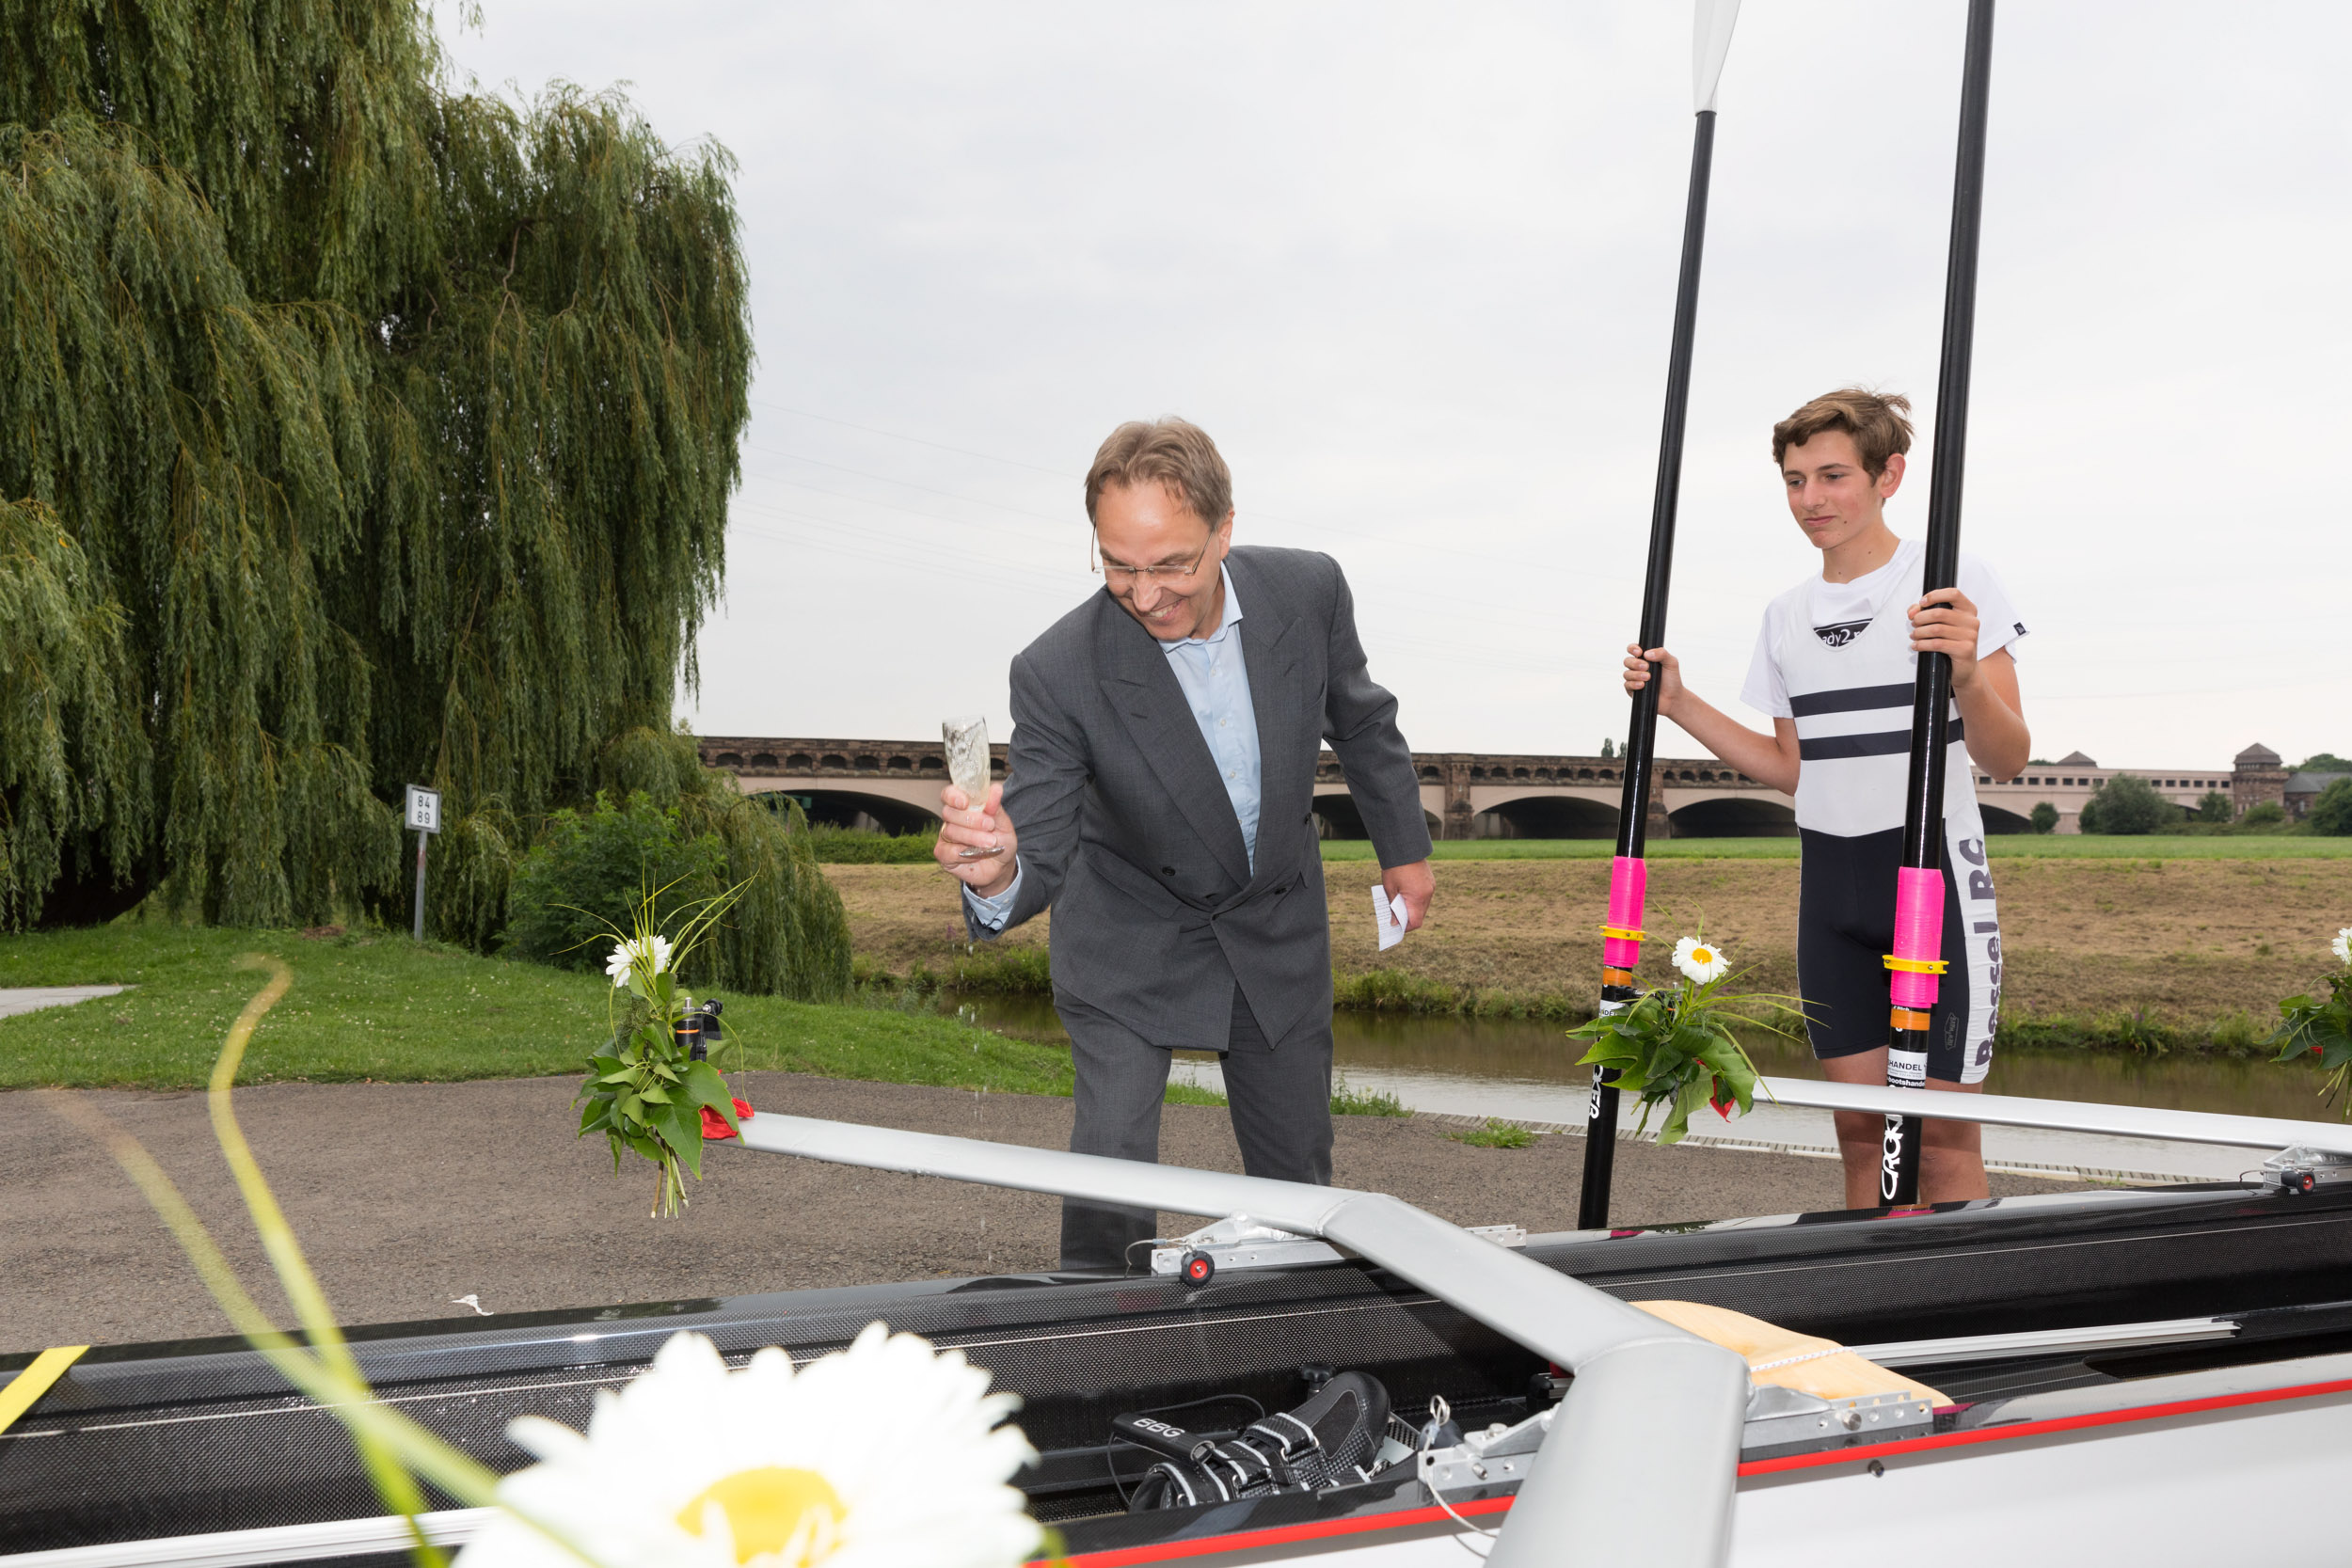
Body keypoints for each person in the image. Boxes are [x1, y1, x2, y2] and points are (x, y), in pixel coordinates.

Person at [934, 417, 1437, 1271]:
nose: (1145, 592)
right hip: (1130, 933)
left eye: (1172, 563)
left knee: (1297, 1188)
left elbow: (1361, 717)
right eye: (1118, 564)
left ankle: (1300, 1359)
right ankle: (1096, 1347)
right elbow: (1043, 836)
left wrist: (1404, 850)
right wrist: (998, 869)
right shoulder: (1057, 669)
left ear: (1225, 528)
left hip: (1272, 919)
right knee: (1112, 1163)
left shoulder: (1309, 590)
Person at [1623, 388, 2030, 1207]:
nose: (1811, 499)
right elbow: (1793, 768)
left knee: (1943, 1145)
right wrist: (1678, 702)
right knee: (1862, 1141)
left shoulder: (1952, 577)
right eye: (1795, 480)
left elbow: (2009, 757)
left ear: (1890, 475)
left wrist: (1966, 674)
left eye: (1833, 476)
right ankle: (1877, 1320)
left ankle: (1957, 1315)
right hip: (1831, 893)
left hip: (1934, 886)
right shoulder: (1785, 615)